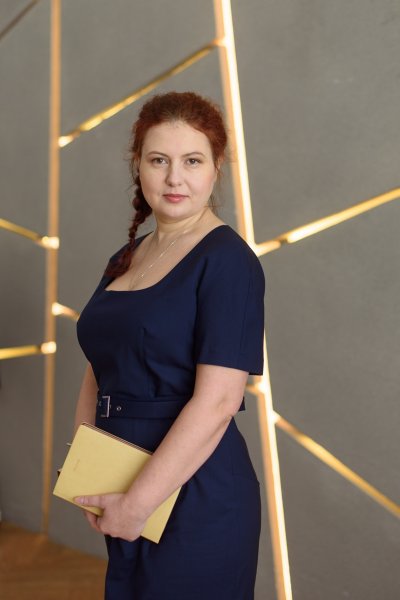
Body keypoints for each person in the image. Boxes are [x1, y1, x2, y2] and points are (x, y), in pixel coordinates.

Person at [73, 91, 265, 600]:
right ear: (138, 166)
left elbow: (219, 401)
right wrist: (85, 467)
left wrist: (138, 504)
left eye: (192, 161)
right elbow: (100, 364)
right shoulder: (127, 256)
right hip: (124, 479)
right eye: (159, 160)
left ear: (216, 168)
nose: (174, 177)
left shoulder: (229, 262)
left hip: (196, 493)